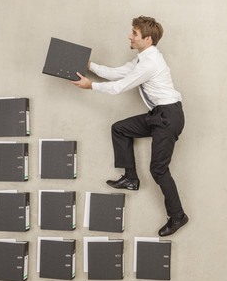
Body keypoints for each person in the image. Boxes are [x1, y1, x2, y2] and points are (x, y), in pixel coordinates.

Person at [71, 16, 188, 237]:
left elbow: (120, 86)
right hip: (158, 115)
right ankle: (131, 179)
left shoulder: (151, 63)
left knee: (158, 170)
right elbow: (116, 73)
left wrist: (91, 86)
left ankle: (178, 216)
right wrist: (89, 66)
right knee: (120, 128)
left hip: (169, 117)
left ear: (148, 39)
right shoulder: (142, 58)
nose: (130, 36)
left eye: (134, 33)